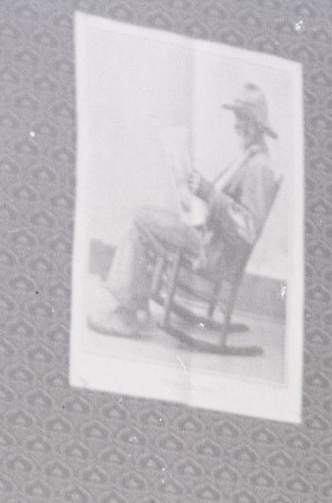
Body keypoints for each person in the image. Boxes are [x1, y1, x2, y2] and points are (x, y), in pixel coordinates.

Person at [107, 88, 284, 337]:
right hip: (207, 237)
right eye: (238, 119)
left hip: (214, 251)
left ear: (258, 126)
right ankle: (134, 310)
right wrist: (197, 195)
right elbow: (223, 204)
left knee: (141, 217)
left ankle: (130, 313)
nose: (238, 125)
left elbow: (247, 228)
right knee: (142, 223)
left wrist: (209, 193)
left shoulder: (260, 168)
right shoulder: (248, 159)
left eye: (245, 119)